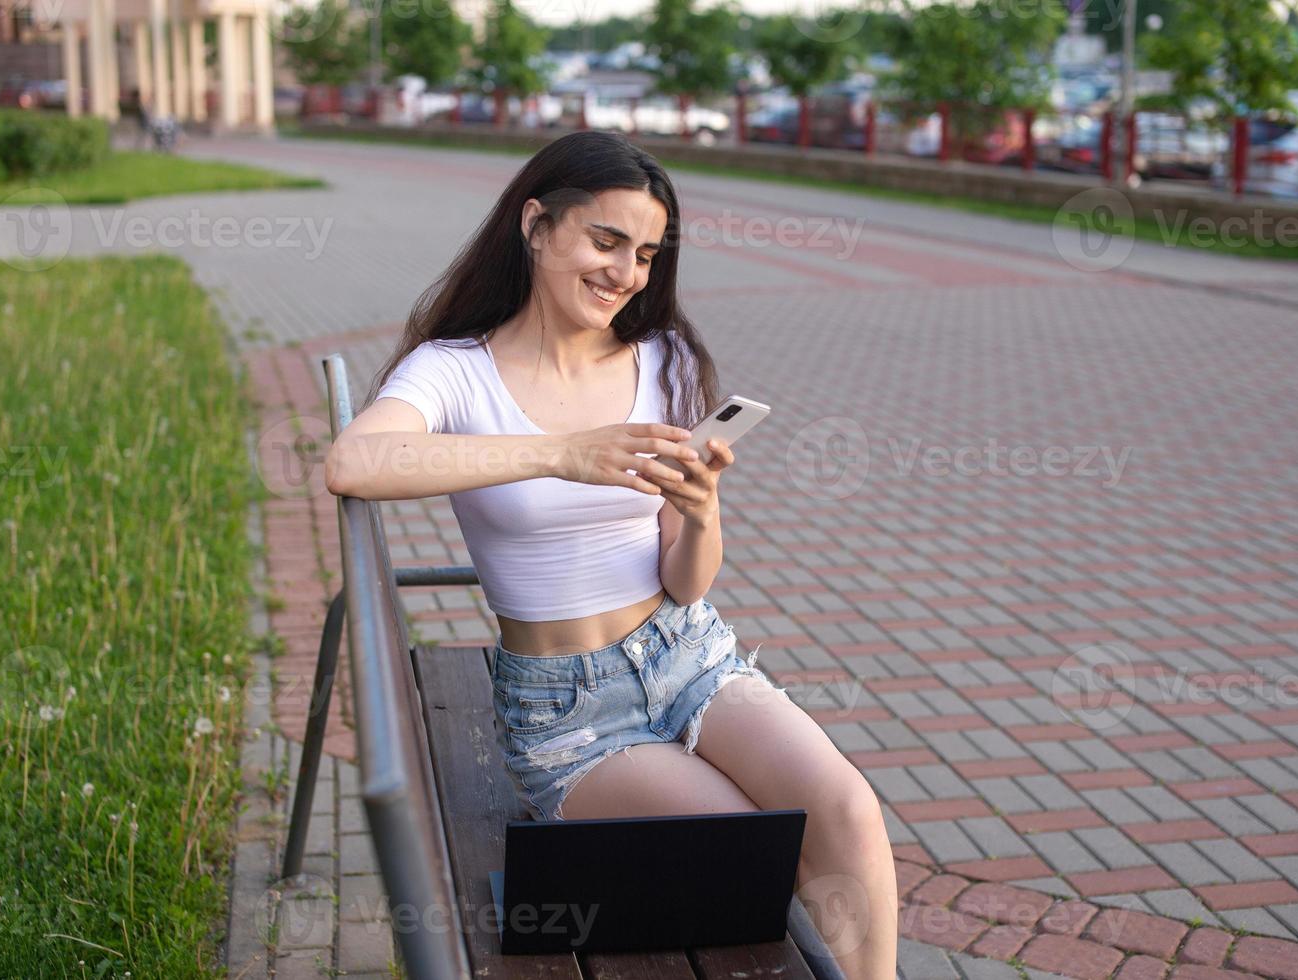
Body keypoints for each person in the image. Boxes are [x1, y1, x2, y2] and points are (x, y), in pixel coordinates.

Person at [324, 130, 897, 979]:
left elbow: (685, 577)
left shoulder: (663, 360)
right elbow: (353, 462)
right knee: (743, 853)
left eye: (645, 254)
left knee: (845, 810)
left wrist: (698, 513)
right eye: (604, 241)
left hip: (687, 652)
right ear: (535, 226)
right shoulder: (452, 372)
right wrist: (560, 452)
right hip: (568, 715)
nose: (625, 273)